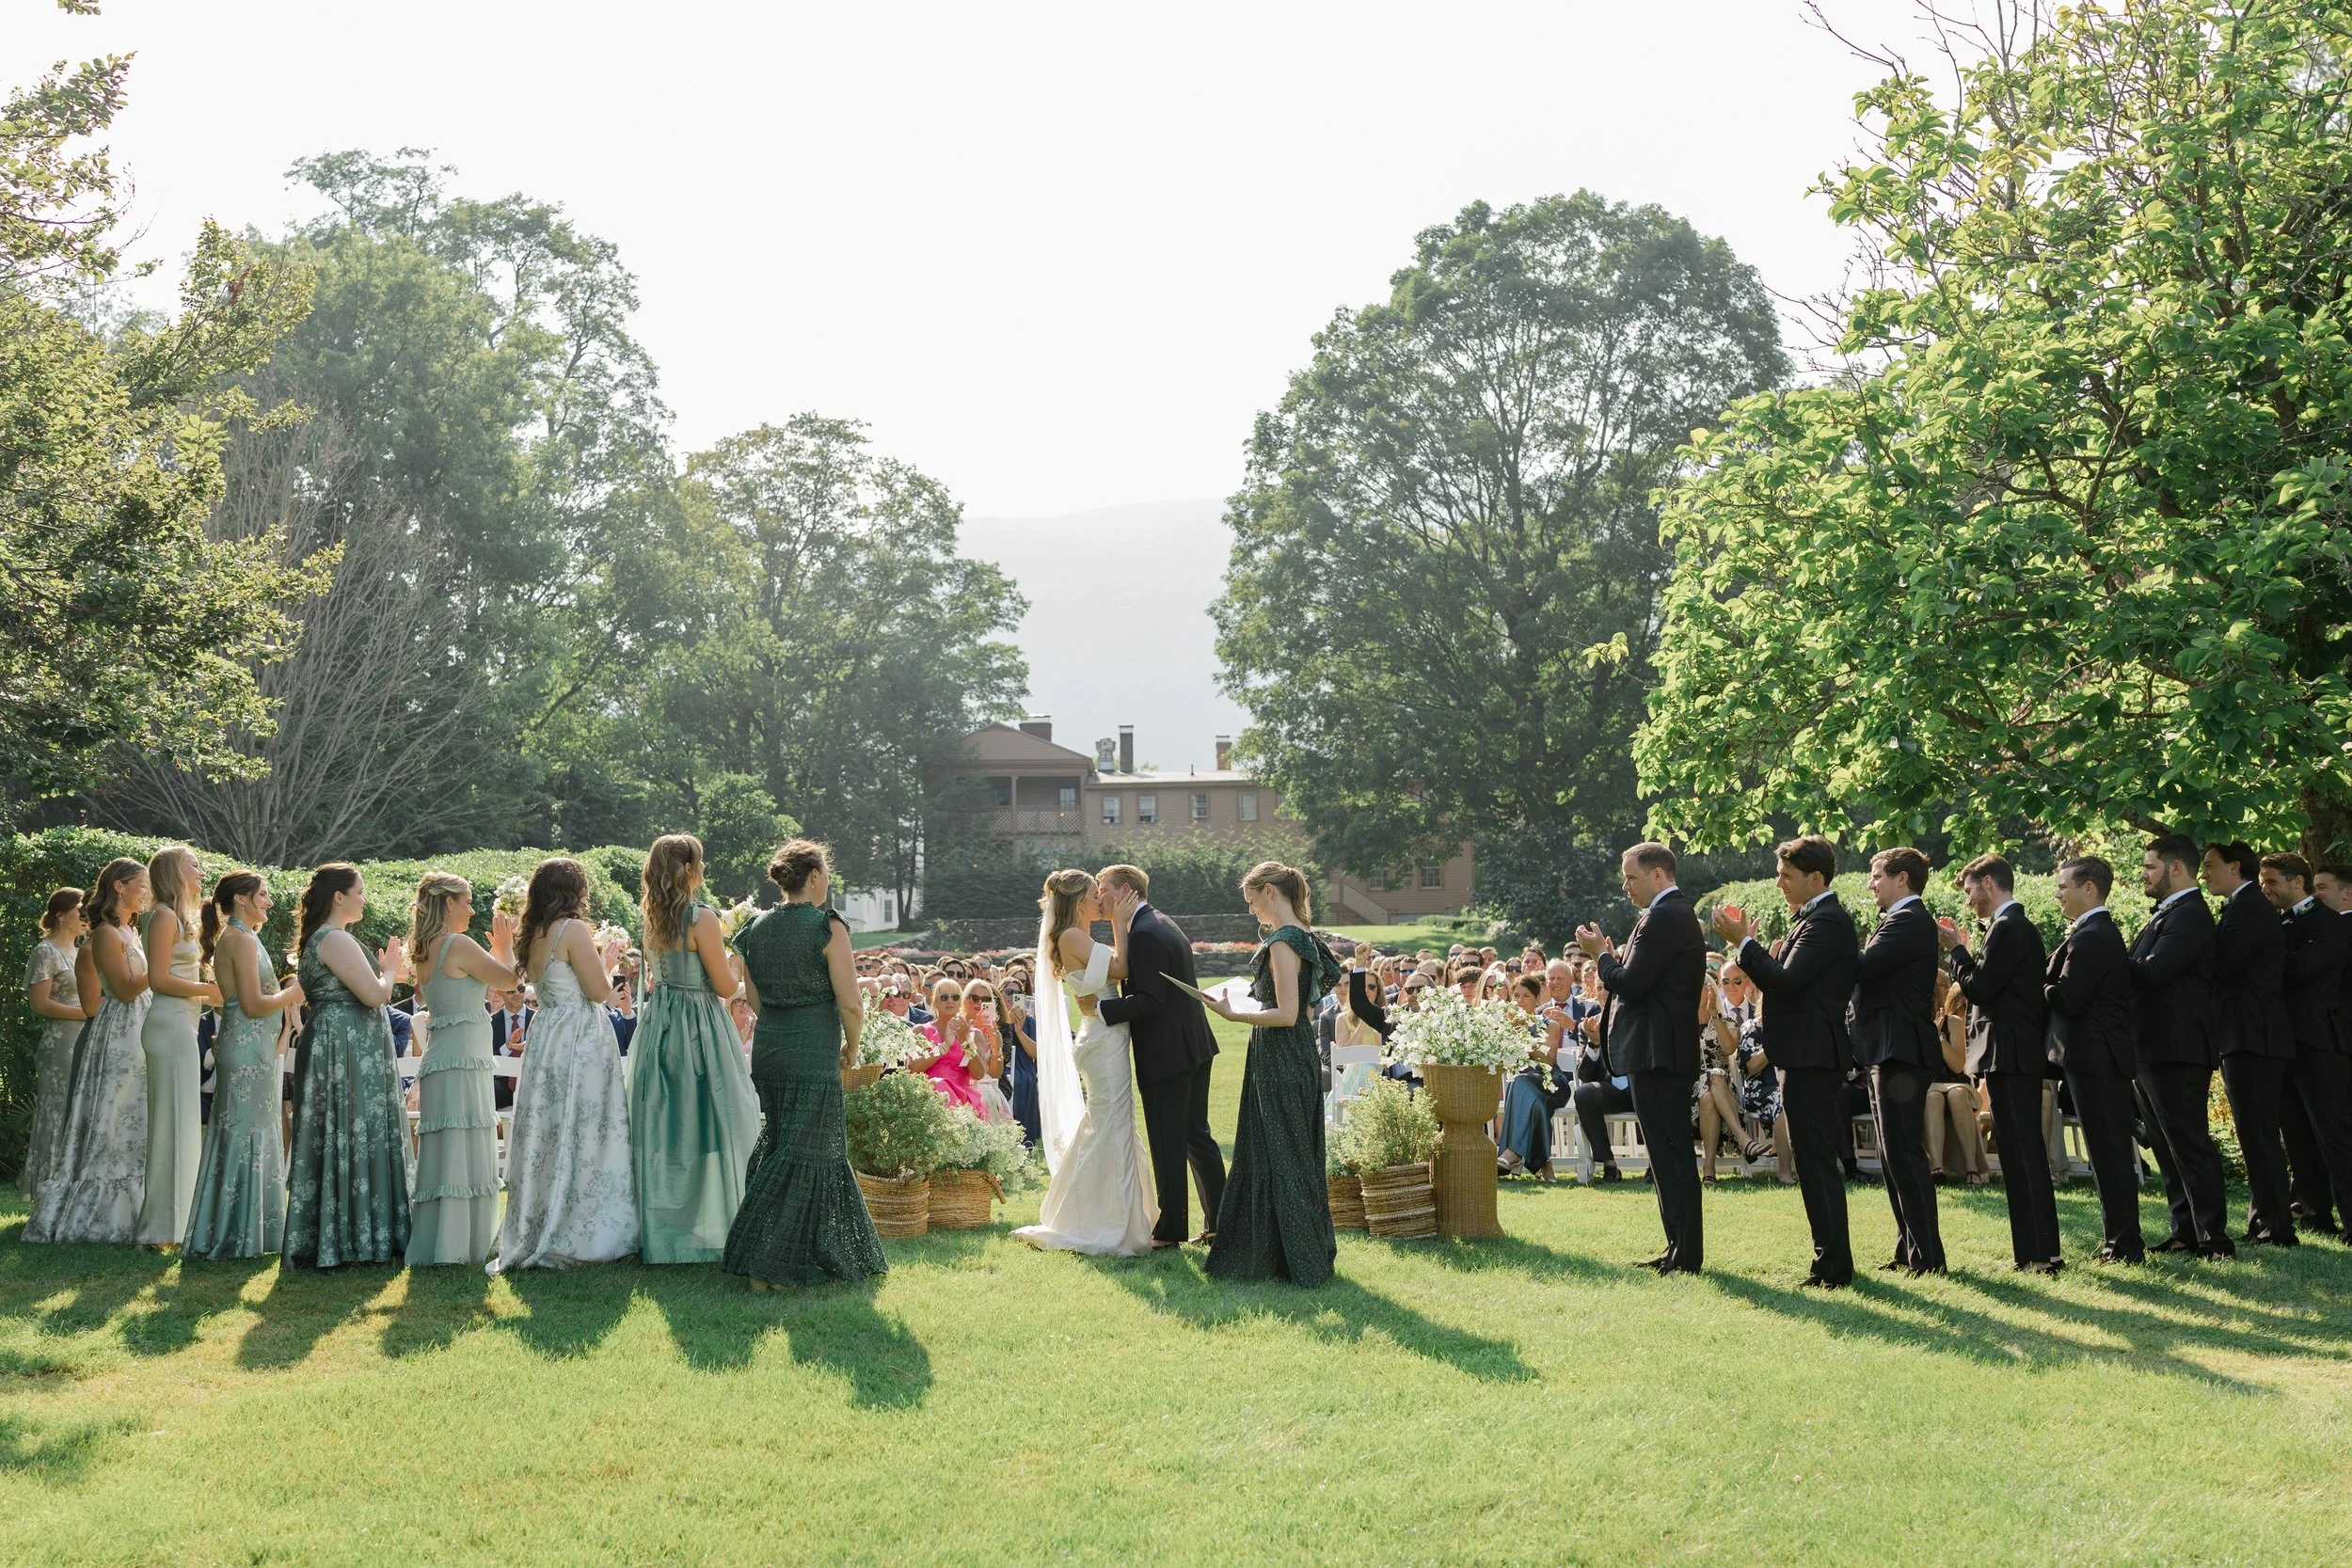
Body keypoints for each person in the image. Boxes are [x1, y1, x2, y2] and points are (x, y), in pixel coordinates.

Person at [722, 839, 885, 1289]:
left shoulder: (754, 928)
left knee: (783, 1145)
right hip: (812, 1049)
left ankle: (787, 1254)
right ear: (813, 876)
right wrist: (852, 1048)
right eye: (826, 875)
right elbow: (851, 1002)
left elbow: (752, 999)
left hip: (772, 1049)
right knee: (806, 1153)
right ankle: (766, 1263)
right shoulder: (826, 926)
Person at [1715, 835, 1858, 1288]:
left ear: (1815, 878)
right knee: (1811, 1162)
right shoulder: (1812, 920)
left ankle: (1833, 1267)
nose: (1779, 883)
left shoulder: (1828, 922)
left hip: (1815, 1057)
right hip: (1804, 1055)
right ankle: (1829, 1260)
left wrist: (1745, 944)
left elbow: (1787, 982)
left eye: (1787, 876)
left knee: (1815, 1163)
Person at [493, 856, 640, 1272]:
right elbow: (596, 992)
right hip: (579, 1035)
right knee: (587, 1126)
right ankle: (583, 1229)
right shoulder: (572, 929)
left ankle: (544, 1221)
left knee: (553, 1127)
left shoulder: (534, 934)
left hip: (548, 1035)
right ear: (570, 891)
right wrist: (608, 965)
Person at [1199, 862, 1341, 1286]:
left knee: (1282, 1154)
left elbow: (1288, 1013)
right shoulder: (1308, 939)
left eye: (1251, 901)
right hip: (1294, 1054)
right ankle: (1290, 1258)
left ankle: (1298, 1263)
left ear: (1269, 893)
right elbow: (1310, 1008)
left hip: (1280, 1054)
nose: (1251, 910)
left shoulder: (1283, 942)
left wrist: (1234, 1014)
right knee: (1290, 1152)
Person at [628, 834, 762, 1265]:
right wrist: (742, 958)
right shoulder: (701, 917)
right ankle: (718, 1224)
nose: (702, 869)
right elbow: (724, 986)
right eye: (699, 862)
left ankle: (668, 1230)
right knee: (713, 1119)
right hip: (698, 1024)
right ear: (688, 870)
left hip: (660, 1024)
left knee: (669, 1125)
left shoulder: (649, 917)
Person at [1577, 843, 1708, 1274]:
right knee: (1667, 1156)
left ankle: (1686, 1254)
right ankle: (1677, 1248)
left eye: (1631, 877)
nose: (1625, 886)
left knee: (1671, 1156)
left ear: (1657, 875)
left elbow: (1630, 984)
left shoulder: (1664, 915)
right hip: (1659, 1051)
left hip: (1659, 1053)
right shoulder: (1669, 914)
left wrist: (1601, 957)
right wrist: (1613, 958)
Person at [1014, 869, 1156, 1255]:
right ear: (1080, 902)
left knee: (1110, 1124)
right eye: (1096, 895)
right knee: (1109, 1126)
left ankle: (1112, 1213)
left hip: (1103, 1034)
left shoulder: (1077, 935)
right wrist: (1120, 923)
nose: (1101, 900)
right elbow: (1121, 970)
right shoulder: (1073, 936)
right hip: (1103, 1041)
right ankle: (1098, 1221)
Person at [284, 864, 412, 1268]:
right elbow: (375, 996)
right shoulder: (335, 939)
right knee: (349, 1129)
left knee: (344, 1131)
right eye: (359, 891)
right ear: (338, 897)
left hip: (344, 1042)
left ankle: (345, 1235)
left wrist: (389, 973)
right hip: (344, 1047)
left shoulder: (329, 938)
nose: (364, 898)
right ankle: (355, 1239)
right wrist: (389, 970)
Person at [1096, 864, 1226, 1248]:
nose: (1098, 896)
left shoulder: (1146, 934)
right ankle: (1221, 1222)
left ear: (1123, 891)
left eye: (1102, 888)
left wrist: (1102, 1009)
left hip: (1169, 1054)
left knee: (1170, 1141)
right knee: (1195, 1136)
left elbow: (1150, 1001)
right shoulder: (1160, 922)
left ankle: (1170, 1232)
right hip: (1193, 1045)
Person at [1940, 851, 2058, 1269]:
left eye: (1971, 890)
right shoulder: (2007, 928)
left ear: (1989, 883)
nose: (1970, 900)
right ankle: (2036, 1249)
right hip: (2010, 1054)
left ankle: (2039, 1253)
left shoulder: (2009, 928)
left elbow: (1981, 987)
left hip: (2011, 1053)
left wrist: (1957, 952)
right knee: (2020, 1151)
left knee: (2022, 1153)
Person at [25, 859, 153, 1244]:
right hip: (119, 1030)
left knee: (136, 1113)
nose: (146, 892)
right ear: (119, 887)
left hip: (142, 1026)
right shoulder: (103, 935)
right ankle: (97, 1211)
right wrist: (165, 967)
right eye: (141, 885)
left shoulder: (133, 931)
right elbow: (125, 989)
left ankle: (141, 1208)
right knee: (112, 1116)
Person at [183, 873, 303, 1259]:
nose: (269, 901)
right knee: (243, 1134)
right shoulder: (237, 940)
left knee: (253, 1132)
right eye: (263, 895)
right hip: (246, 1051)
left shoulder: (243, 937)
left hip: (254, 1048)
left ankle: (254, 1230)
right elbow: (252, 1004)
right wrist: (293, 992)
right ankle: (236, 1233)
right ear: (241, 899)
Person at [405, 872, 521, 1268]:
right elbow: (508, 981)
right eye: (467, 901)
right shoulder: (456, 943)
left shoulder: (425, 947)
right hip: (462, 1059)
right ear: (449, 903)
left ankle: (444, 1243)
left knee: (447, 1151)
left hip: (444, 1057)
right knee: (465, 1148)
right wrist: (505, 947)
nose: (472, 909)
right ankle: (464, 1245)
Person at [2129, 833, 2232, 1259]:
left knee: (2189, 1142)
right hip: (2152, 1046)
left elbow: (2154, 974)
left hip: (2178, 1047)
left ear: (2175, 868)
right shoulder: (2164, 915)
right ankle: (2184, 1229)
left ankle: (2214, 1237)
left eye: (2150, 866)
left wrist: (2105, 959)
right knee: (2166, 1144)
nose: (2144, 874)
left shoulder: (2190, 915)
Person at [2041, 856, 2144, 1262]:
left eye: (2063, 886)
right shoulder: (2090, 932)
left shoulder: (2095, 935)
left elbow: (2068, 996)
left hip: (2096, 1057)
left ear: (2088, 889)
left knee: (2109, 1153)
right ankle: (2118, 1238)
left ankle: (2124, 1243)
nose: (2058, 894)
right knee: (2107, 1152)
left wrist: (2039, 983)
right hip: (2092, 1056)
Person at [2204, 840, 2296, 1246]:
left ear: (2235, 867)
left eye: (2210, 865)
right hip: (2246, 1034)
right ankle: (2264, 1220)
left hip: (2253, 1035)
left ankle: (2277, 1227)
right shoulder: (2244, 908)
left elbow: (2223, 968)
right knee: (2254, 1134)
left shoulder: (2248, 909)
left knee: (2259, 1134)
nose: (2204, 872)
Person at [2261, 852, 2352, 1240]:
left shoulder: (2332, 924)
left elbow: (2299, 968)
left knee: (2334, 1133)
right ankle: (2314, 1212)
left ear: (2297, 882)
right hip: (2283, 1040)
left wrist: (2263, 943)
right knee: (2295, 1132)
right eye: (2262, 883)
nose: (2266, 890)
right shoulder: (2279, 923)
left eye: (2272, 883)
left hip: (2319, 1041)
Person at [135, 846, 219, 1250]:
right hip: (168, 1026)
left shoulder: (178, 916)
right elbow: (158, 980)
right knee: (172, 1124)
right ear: (173, 871)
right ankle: (161, 1230)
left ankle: (180, 1222)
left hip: (182, 1024)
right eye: (193, 865)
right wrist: (211, 989)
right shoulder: (164, 915)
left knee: (184, 1124)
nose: (200, 871)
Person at [21, 888, 89, 1199]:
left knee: (79, 1112)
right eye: (80, 911)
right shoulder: (46, 951)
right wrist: (85, 1014)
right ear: (61, 915)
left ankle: (73, 1190)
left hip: (86, 1039)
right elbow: (40, 1004)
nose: (86, 917)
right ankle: (49, 1192)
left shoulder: (82, 951)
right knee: (58, 1111)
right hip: (61, 1043)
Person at [1496, 972, 1568, 1179]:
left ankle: (1512, 1153)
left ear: (1537, 999)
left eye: (1526, 996)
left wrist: (1524, 1035)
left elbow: (1548, 1061)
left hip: (1552, 1082)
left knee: (1521, 1083)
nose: (1520, 1001)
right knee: (1536, 1103)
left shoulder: (1549, 1025)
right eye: (1516, 996)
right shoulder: (1505, 1028)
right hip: (1523, 1090)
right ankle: (1543, 1162)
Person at [1924, 975, 1988, 1185]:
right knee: (1933, 1097)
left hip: (1955, 1082)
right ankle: (1936, 1167)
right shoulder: (1913, 1023)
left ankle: (1972, 1168)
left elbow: (1958, 1066)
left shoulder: (1954, 1022)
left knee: (1957, 1094)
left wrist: (1939, 1037)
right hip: (1928, 1085)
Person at [912, 977, 992, 1115]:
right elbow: (913, 1068)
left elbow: (979, 1074)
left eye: (955, 997)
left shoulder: (974, 1033)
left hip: (962, 1098)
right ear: (935, 1002)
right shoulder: (920, 1030)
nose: (950, 1001)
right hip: (927, 1096)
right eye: (944, 997)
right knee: (939, 1084)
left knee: (941, 1086)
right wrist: (944, 1046)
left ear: (960, 1002)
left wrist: (964, 1041)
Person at [489, 987, 532, 1112]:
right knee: (484, 1089)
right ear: (499, 992)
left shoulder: (539, 1019)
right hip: (502, 1085)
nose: (517, 994)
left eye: (521, 989)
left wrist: (530, 1047)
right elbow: (487, 1058)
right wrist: (507, 1047)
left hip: (532, 1083)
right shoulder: (490, 1023)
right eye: (511, 991)